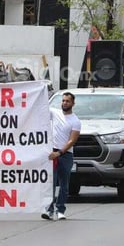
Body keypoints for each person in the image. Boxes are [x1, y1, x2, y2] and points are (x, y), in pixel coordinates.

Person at [43, 91, 81, 221]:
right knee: (50, 184)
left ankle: (60, 210)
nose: (64, 103)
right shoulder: (55, 113)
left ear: (72, 103)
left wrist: (59, 153)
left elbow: (72, 141)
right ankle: (49, 210)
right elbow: (40, 108)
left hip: (65, 155)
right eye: (63, 101)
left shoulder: (75, 121)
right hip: (52, 153)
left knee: (64, 185)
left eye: (67, 101)